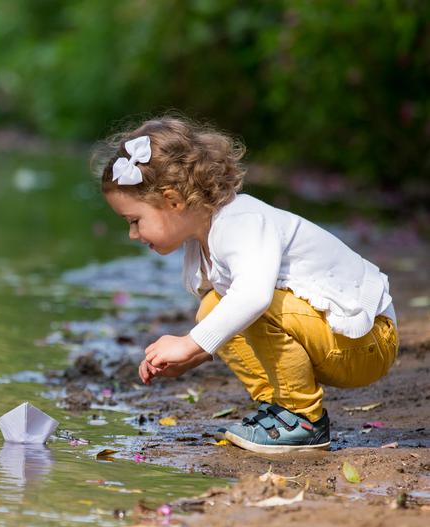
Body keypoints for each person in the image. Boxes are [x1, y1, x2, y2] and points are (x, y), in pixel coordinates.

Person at [96, 117, 398, 453]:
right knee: (213, 306)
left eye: (135, 221)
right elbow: (228, 314)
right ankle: (281, 408)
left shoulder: (241, 221)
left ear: (173, 201)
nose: (133, 234)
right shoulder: (203, 243)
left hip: (368, 340)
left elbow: (254, 296)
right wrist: (194, 354)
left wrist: (190, 343)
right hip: (333, 337)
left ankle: (303, 419)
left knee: (252, 302)